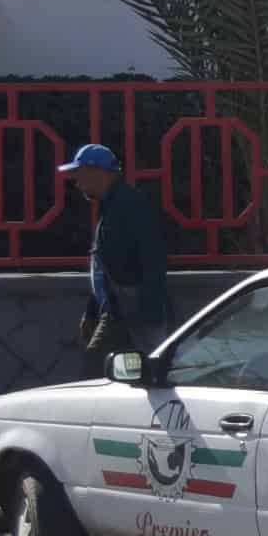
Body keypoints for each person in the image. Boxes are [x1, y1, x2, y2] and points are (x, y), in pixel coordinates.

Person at [62, 145, 171, 376]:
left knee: (94, 372)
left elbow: (153, 257)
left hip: (131, 311)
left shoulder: (129, 205)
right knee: (125, 376)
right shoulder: (111, 205)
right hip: (117, 310)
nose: (77, 182)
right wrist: (93, 311)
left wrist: (147, 311)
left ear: (97, 172)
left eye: (79, 175)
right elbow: (104, 265)